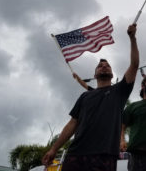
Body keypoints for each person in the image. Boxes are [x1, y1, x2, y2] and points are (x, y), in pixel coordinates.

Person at [42, 24, 139, 171]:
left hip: (104, 156)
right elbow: (72, 124)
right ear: (94, 75)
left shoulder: (120, 91)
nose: (104, 66)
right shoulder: (85, 96)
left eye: (107, 65)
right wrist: (54, 149)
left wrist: (132, 38)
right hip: (75, 155)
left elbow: (134, 64)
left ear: (113, 74)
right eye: (100, 66)